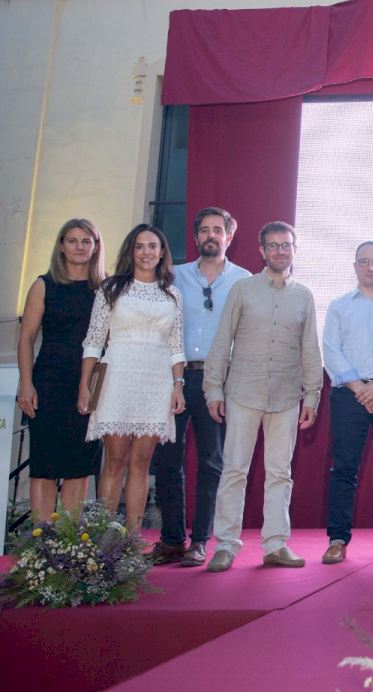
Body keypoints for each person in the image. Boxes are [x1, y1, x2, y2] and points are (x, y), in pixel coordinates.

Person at [204, 221, 322, 571]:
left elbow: (310, 350)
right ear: (262, 250)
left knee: (280, 473)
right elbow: (222, 340)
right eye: (273, 245)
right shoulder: (242, 289)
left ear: (295, 249)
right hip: (243, 391)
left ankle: (275, 545)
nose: (279, 251)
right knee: (234, 470)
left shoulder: (304, 296)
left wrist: (312, 397)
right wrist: (213, 388)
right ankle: (226, 545)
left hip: (286, 396)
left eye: (285, 245)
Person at [145, 207, 251, 567]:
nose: (211, 235)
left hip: (218, 380)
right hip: (173, 377)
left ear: (229, 237)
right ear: (195, 237)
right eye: (204, 230)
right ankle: (172, 539)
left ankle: (201, 540)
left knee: (211, 462)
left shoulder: (243, 280)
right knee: (167, 460)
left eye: (218, 230)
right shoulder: (173, 276)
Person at [78, 224, 185, 535]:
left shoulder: (172, 294)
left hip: (156, 381)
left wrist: (178, 385)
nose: (146, 252)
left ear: (162, 252)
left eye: (152, 246)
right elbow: (94, 340)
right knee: (115, 460)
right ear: (131, 251)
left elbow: (176, 345)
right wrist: (85, 386)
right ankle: (103, 541)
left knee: (141, 463)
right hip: (117, 377)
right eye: (139, 246)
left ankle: (131, 542)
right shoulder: (111, 289)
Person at [17, 219, 105, 522]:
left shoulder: (105, 289)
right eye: (72, 240)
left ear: (95, 247)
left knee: (78, 465)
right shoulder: (43, 285)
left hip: (89, 384)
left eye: (86, 241)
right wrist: (26, 383)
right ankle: (41, 540)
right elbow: (26, 338)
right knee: (44, 465)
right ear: (61, 246)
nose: (79, 247)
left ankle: (68, 540)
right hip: (48, 382)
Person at [320, 241, 373, 564]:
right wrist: (361, 389)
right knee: (344, 468)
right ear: (355, 266)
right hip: (348, 395)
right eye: (364, 262)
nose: (370, 267)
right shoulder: (339, 305)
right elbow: (330, 350)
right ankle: (338, 538)